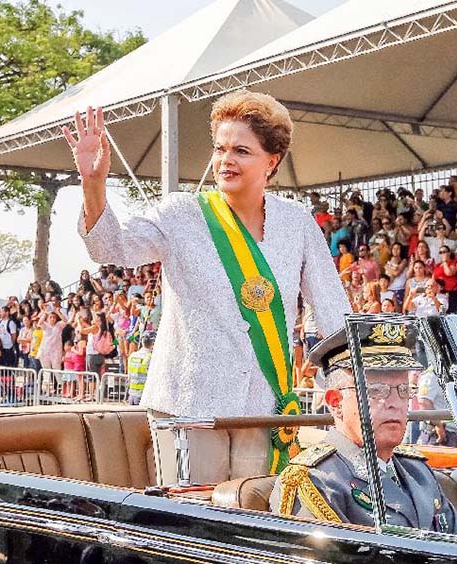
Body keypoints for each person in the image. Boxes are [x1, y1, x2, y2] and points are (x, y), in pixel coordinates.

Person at [65, 92, 350, 484]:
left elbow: (333, 310)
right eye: (220, 148)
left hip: (263, 407)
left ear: (272, 161)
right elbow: (112, 246)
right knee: (196, 523)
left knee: (256, 517)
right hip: (189, 405)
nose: (226, 160)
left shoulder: (296, 222)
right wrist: (93, 184)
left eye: (241, 150)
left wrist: (346, 382)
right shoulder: (182, 213)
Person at [270, 323, 457, 534]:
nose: (395, 402)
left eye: (403, 390)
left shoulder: (418, 471)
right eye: (377, 391)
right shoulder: (317, 482)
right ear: (336, 402)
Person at [128, 331, 155, 406]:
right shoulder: (150, 357)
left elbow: (129, 376)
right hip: (143, 395)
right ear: (153, 344)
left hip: (132, 395)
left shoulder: (132, 356)